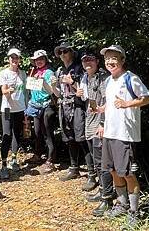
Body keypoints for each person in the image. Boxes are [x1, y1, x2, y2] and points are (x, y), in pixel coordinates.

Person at [98, 45, 149, 228]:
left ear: (122, 60)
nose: (110, 62)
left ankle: (134, 212)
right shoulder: (108, 81)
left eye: (114, 58)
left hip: (125, 134)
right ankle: (121, 204)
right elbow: (111, 104)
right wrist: (102, 115)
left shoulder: (131, 78)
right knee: (112, 170)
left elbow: (148, 98)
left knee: (128, 173)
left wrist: (128, 103)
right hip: (109, 132)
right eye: (107, 59)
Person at [76, 50, 114, 216]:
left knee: (102, 161)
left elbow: (107, 101)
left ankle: (108, 196)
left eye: (90, 60)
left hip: (100, 124)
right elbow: (85, 99)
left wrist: (102, 123)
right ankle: (102, 189)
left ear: (97, 61)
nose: (87, 63)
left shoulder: (103, 78)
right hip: (90, 122)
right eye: (84, 61)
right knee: (96, 158)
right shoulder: (85, 78)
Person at [53, 42, 95, 188]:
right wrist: (51, 86)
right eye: (60, 52)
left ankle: (92, 174)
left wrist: (72, 82)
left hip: (77, 106)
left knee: (82, 138)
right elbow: (58, 93)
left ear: (71, 52)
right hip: (63, 106)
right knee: (69, 138)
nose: (63, 54)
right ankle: (74, 168)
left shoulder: (79, 69)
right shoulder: (59, 71)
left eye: (65, 51)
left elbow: (84, 91)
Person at [25, 50, 57, 173]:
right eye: (37, 60)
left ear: (45, 60)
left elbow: (51, 91)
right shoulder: (33, 72)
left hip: (47, 105)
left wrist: (43, 81)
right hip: (35, 105)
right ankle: (38, 154)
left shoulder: (49, 73)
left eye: (41, 59)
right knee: (37, 132)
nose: (39, 61)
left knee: (47, 132)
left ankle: (51, 160)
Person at [0, 48, 28, 179]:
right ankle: (3, 165)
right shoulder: (3, 73)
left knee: (17, 133)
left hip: (20, 108)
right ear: (8, 59)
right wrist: (9, 90)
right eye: (12, 58)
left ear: (19, 59)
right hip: (7, 108)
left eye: (16, 58)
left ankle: (14, 159)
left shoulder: (23, 73)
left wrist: (27, 107)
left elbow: (26, 92)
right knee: (6, 134)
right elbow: (3, 91)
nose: (14, 60)